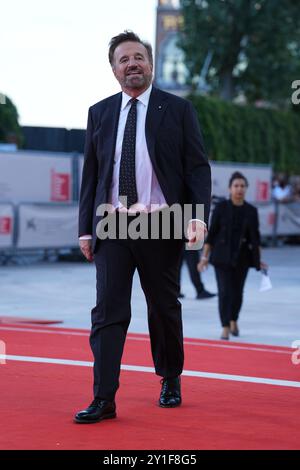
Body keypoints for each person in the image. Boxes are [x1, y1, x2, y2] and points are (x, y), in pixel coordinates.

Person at [75, 31, 211, 424]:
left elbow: (197, 169)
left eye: (138, 57)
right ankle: (104, 398)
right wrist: (87, 229)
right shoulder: (99, 113)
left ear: (150, 64)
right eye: (123, 59)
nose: (131, 64)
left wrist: (198, 217)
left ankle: (170, 378)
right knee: (107, 313)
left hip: (163, 222)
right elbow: (92, 175)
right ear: (114, 69)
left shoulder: (178, 110)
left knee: (163, 307)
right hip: (114, 223)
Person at [198, 172, 267, 340]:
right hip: (221, 258)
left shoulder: (251, 211)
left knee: (237, 293)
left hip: (242, 258)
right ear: (230, 188)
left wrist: (259, 260)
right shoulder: (221, 208)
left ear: (246, 189)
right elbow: (212, 235)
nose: (239, 189)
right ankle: (225, 326)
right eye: (236, 186)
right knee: (224, 292)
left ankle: (234, 319)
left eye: (242, 186)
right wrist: (204, 258)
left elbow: (255, 239)